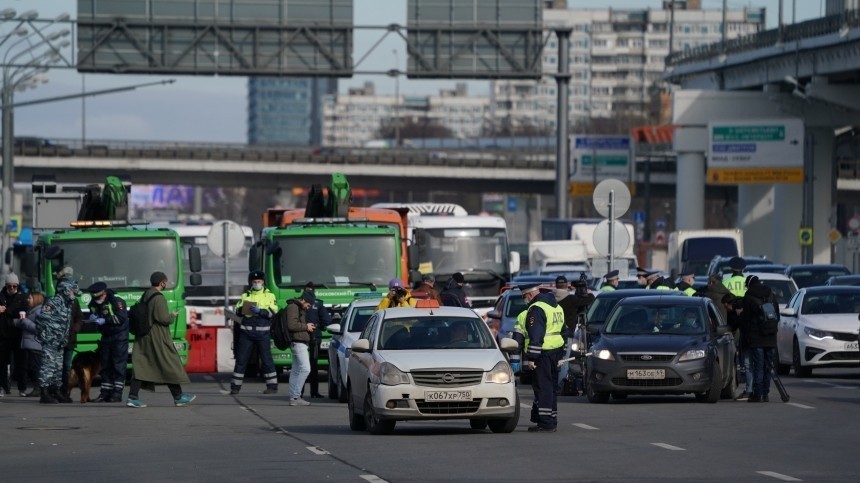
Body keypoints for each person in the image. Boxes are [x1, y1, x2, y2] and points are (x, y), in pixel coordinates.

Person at [126, 272, 195, 408]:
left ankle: (133, 397)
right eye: (165, 282)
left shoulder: (146, 294)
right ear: (162, 282)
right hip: (157, 337)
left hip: (144, 337)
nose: (166, 284)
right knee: (168, 363)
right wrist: (173, 315)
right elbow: (163, 319)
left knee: (142, 366)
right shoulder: (159, 298)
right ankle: (178, 397)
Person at [521, 283, 565, 433]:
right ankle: (551, 419)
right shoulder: (556, 307)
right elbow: (564, 331)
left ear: (529, 294)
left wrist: (532, 358)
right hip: (555, 352)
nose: (524, 300)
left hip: (543, 354)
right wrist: (561, 353)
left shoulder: (536, 309)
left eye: (523, 297)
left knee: (543, 387)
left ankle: (546, 423)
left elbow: (536, 335)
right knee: (551, 387)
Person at [230, 271, 278, 396]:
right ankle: (235, 387)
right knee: (241, 360)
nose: (257, 284)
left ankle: (272, 386)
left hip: (263, 334)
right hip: (247, 333)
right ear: (251, 282)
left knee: (267, 360)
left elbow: (273, 312)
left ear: (263, 282)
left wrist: (259, 311)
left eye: (259, 281)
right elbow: (238, 310)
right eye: (255, 282)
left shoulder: (270, 296)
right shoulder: (245, 295)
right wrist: (244, 309)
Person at [84, 282, 130, 403]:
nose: (96, 298)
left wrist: (105, 320)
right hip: (106, 337)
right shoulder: (93, 303)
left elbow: (121, 318)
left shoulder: (116, 301)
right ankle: (105, 393)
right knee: (105, 366)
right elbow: (93, 313)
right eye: (93, 296)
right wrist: (93, 318)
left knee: (118, 365)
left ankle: (117, 393)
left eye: (97, 296)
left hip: (119, 337)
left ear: (103, 293)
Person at [35, 278, 79, 404]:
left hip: (60, 342)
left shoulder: (67, 304)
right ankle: (44, 393)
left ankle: (56, 391)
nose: (74, 295)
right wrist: (43, 335)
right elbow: (42, 319)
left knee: (57, 368)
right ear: (66, 290)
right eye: (72, 292)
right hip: (51, 341)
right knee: (47, 367)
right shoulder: (54, 302)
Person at [741, 275, 779, 403]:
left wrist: (745, 338)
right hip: (771, 336)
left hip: (756, 337)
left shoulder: (748, 297)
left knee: (758, 366)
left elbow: (745, 320)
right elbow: (777, 315)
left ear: (749, 285)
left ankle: (757, 394)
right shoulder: (770, 295)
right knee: (768, 366)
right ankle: (765, 393)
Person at [0, 273, 31, 397]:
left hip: (18, 334)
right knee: (2, 363)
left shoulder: (22, 297)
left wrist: (6, 310)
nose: (12, 288)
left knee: (21, 362)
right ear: (6, 286)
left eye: (14, 286)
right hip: (3, 334)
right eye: (9, 286)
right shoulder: (1, 296)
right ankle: (3, 387)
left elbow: (23, 311)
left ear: (17, 286)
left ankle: (22, 388)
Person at [285, 291, 316, 406]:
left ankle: (293, 398)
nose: (308, 308)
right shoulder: (293, 307)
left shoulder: (296, 306)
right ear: (303, 300)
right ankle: (296, 396)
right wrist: (306, 326)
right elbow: (291, 325)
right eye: (308, 305)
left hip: (298, 342)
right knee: (305, 369)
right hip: (298, 342)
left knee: (296, 370)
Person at [12, 290, 45, 397]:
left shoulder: (39, 311)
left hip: (35, 344)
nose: (28, 300)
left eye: (30, 298)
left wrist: (25, 321)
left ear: (36, 299)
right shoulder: (31, 311)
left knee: (36, 368)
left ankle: (39, 389)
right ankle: (38, 388)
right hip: (29, 344)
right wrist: (18, 322)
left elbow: (39, 328)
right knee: (32, 367)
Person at [302, 282, 331, 399]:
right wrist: (321, 326)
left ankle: (300, 393)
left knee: (301, 366)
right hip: (315, 337)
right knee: (313, 365)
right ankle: (314, 392)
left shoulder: (299, 303)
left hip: (301, 337)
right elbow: (327, 321)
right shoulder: (318, 304)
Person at [722, 292, 752, 400]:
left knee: (749, 364)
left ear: (728, 303)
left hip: (749, 338)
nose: (725, 309)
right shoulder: (735, 309)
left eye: (725, 306)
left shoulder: (739, 307)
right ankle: (753, 389)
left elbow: (737, 324)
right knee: (751, 364)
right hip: (750, 337)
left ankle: (750, 390)